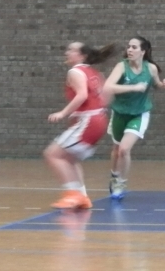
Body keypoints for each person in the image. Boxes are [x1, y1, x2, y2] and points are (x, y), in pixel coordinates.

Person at [44, 42, 117, 209]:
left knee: (52, 154)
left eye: (71, 50)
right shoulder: (94, 73)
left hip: (88, 121)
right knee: (70, 158)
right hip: (98, 120)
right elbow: (106, 97)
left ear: (82, 55)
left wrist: (63, 113)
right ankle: (82, 197)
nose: (67, 52)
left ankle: (72, 195)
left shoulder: (75, 71)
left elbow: (82, 95)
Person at [104, 36, 165, 199]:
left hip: (139, 114)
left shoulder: (151, 68)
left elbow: (156, 84)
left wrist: (163, 85)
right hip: (120, 113)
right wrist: (133, 87)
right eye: (129, 46)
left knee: (124, 149)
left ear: (143, 51)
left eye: (134, 47)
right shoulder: (122, 66)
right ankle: (114, 176)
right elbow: (107, 87)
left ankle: (121, 182)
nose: (130, 50)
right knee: (116, 150)